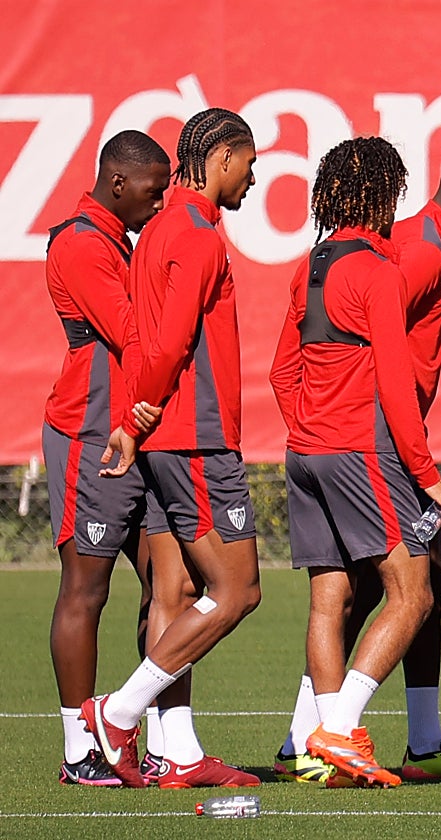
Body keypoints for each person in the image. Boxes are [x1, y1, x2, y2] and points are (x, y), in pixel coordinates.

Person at [273, 138, 441, 784]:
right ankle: (327, 735)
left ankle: (371, 742)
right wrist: (420, 467)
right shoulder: (409, 254)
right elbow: (390, 366)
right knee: (408, 589)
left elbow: (286, 365)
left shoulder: (333, 259)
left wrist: (310, 428)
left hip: (329, 442)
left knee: (372, 588)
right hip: (373, 442)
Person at [81, 108, 262, 789]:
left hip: (167, 438)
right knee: (238, 590)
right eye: (249, 162)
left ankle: (177, 750)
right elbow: (170, 340)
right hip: (195, 438)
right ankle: (120, 712)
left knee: (175, 586)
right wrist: (134, 418)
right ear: (221, 160)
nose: (253, 175)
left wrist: (135, 423)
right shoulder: (194, 234)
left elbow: (146, 336)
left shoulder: (157, 229)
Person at [44, 130, 169, 785]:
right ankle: (78, 752)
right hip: (90, 436)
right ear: (119, 182)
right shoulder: (81, 243)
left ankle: (153, 737)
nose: (161, 200)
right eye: (154, 189)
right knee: (86, 592)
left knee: (169, 588)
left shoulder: (117, 240)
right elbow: (133, 335)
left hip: (137, 436)